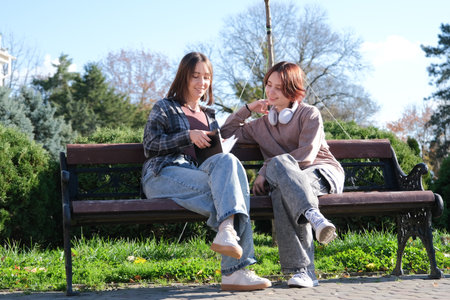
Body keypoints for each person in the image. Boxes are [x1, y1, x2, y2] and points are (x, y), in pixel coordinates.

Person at [141, 52, 271, 291]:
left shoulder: (209, 114)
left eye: (207, 77)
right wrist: (187, 136)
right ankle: (235, 271)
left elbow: (222, 142)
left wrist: (249, 109)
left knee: (228, 161)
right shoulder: (165, 108)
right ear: (184, 77)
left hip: (196, 175)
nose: (202, 83)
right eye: (196, 76)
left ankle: (226, 232)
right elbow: (149, 145)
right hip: (163, 174)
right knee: (235, 198)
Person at [221, 61, 345, 288]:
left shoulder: (310, 114)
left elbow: (307, 156)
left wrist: (267, 169)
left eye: (278, 87)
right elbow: (226, 133)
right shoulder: (260, 125)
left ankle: (302, 270)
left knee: (280, 177)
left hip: (321, 172)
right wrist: (247, 109)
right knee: (280, 190)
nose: (270, 91)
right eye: (268, 85)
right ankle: (312, 223)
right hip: (287, 183)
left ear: (293, 90)